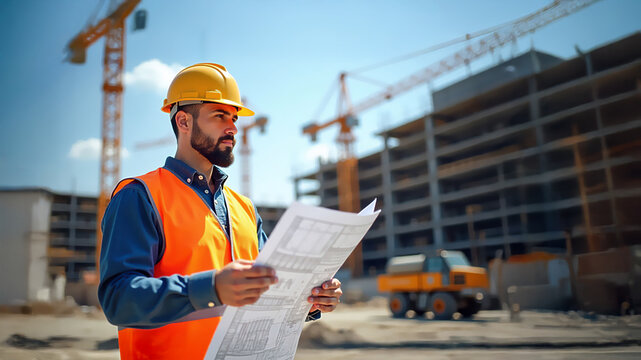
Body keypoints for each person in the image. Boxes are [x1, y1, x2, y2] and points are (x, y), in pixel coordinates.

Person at [98, 63, 343, 359]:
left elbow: (269, 293)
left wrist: (310, 300)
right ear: (184, 121)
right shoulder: (140, 196)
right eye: (219, 116)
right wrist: (210, 288)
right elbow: (118, 299)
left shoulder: (245, 209)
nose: (233, 128)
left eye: (234, 118)